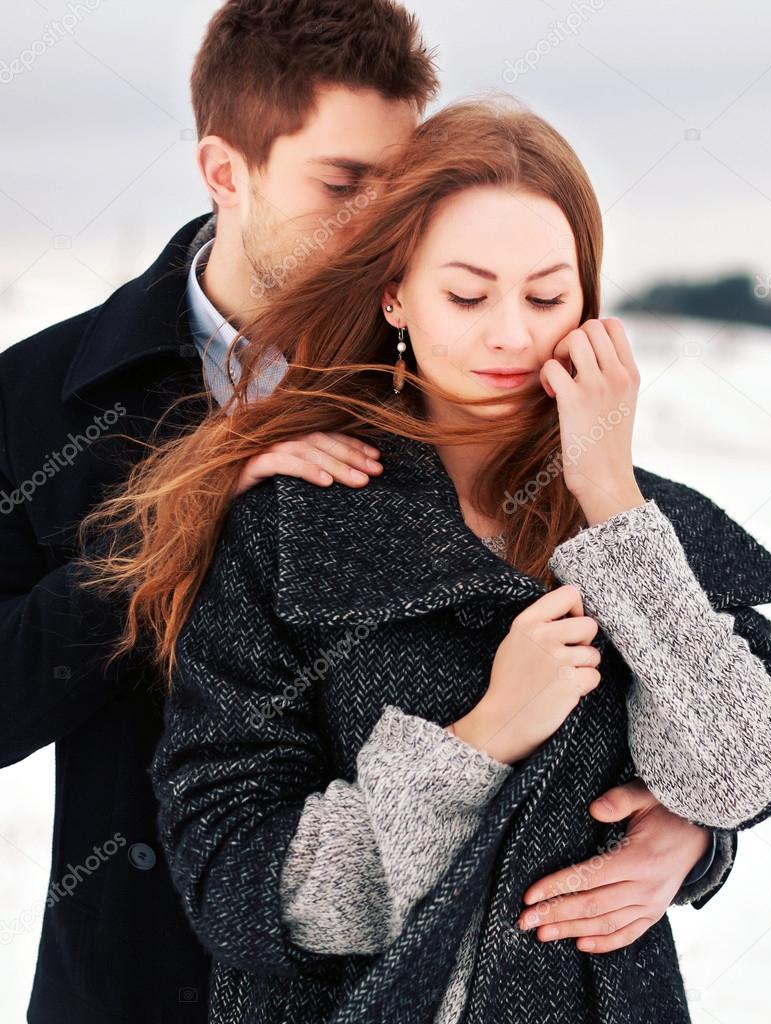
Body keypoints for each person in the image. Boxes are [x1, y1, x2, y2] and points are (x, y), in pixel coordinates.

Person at [1, 3, 728, 1020]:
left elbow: (615, 659)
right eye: (344, 185)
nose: (384, 220)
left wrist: (689, 827)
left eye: (403, 185)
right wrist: (189, 515)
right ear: (225, 171)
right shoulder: (43, 397)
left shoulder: (453, 368)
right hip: (141, 970)